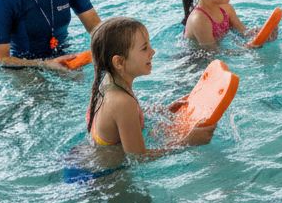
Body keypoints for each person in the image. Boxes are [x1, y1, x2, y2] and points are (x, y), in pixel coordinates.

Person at [86, 17, 214, 154]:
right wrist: (187, 142)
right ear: (119, 62)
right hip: (105, 168)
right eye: (144, 48)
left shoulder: (108, 82)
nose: (152, 52)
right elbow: (139, 158)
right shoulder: (122, 102)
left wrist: (165, 110)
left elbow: (119, 120)